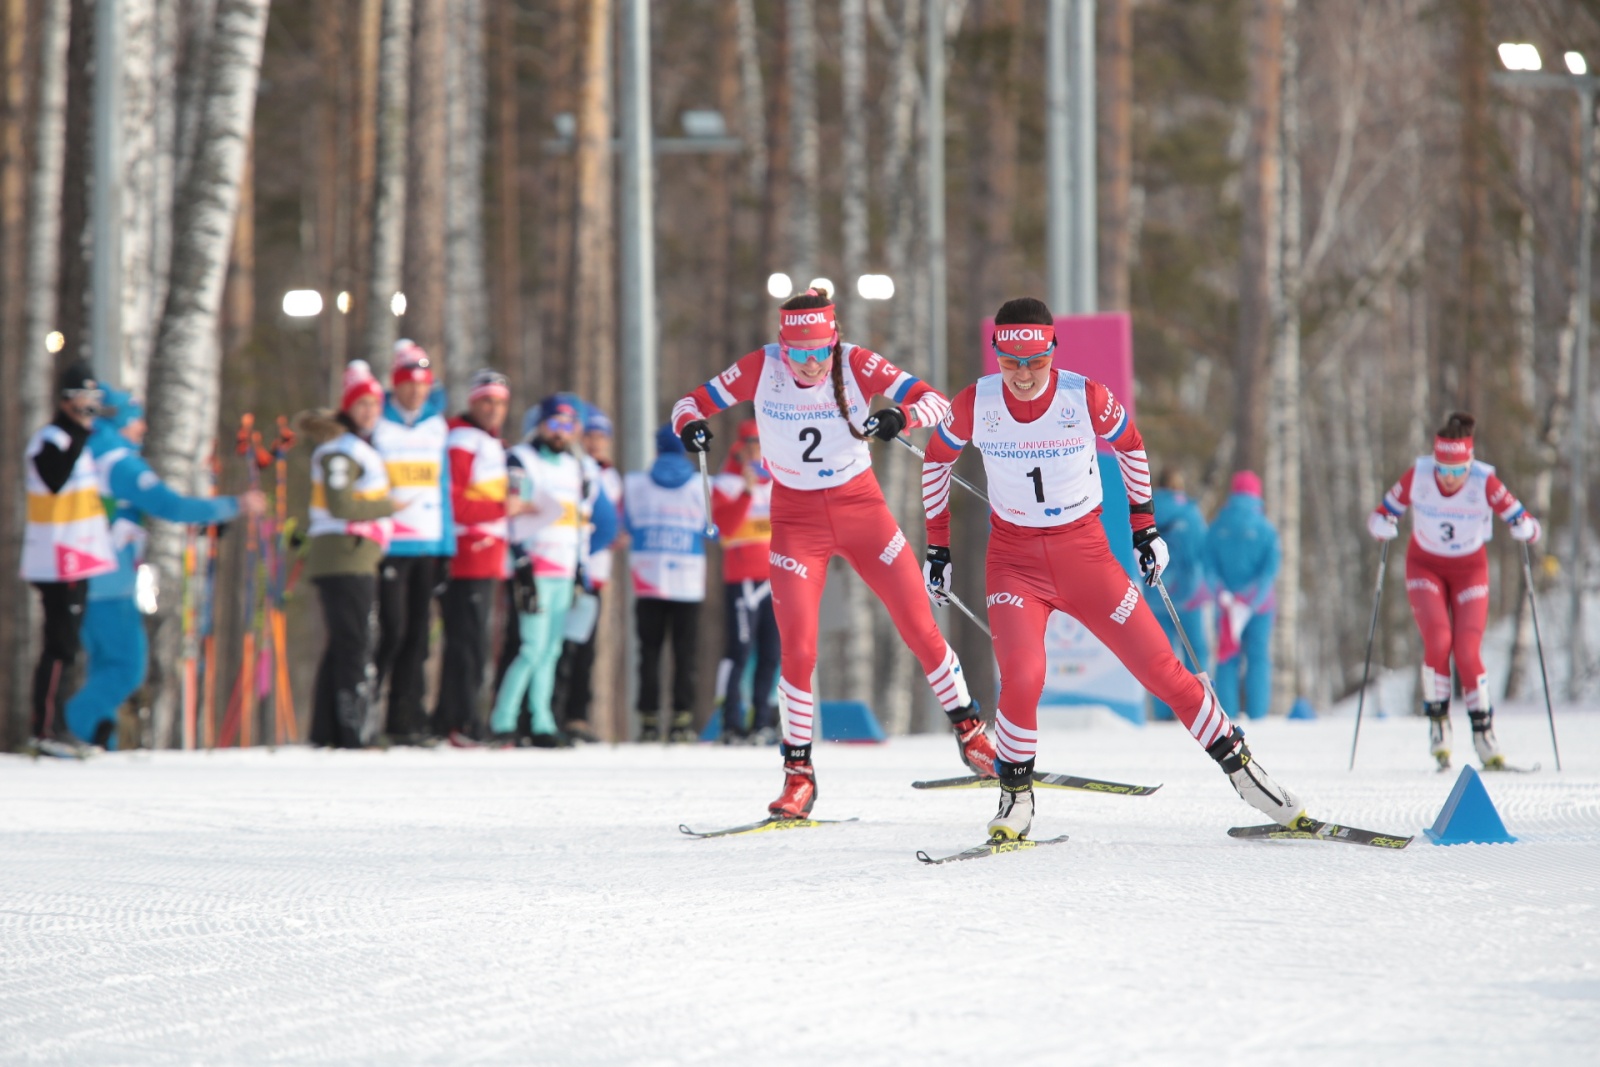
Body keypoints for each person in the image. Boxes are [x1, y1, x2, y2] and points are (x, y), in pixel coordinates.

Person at [920, 298, 1305, 841]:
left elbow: (1131, 447)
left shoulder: (1085, 395)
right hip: (1014, 564)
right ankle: (1015, 797)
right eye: (1011, 362)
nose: (1025, 375)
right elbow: (935, 460)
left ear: (1053, 351)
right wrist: (939, 549)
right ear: (997, 356)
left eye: (1035, 361)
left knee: (1163, 673)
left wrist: (1145, 529)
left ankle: (1247, 774)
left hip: (1086, 556)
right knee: (1024, 677)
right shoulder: (975, 403)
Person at [672, 286, 993, 819]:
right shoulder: (762, 366)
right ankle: (798, 774)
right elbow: (689, 404)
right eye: (799, 354)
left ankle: (971, 733)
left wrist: (899, 418)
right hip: (796, 521)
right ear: (782, 346)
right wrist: (693, 427)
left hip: (861, 510)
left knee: (919, 625)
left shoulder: (856, 362)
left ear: (834, 340)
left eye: (820, 351)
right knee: (798, 648)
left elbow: (935, 401)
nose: (811, 364)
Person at [65, 389, 262, 749]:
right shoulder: (117, 461)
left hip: (86, 574)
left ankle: (98, 742)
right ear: (120, 419)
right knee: (127, 668)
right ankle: (73, 726)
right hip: (108, 580)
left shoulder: (88, 452)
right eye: (137, 418)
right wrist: (235, 504)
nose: (143, 427)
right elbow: (169, 505)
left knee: (105, 667)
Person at [1367, 412, 1540, 770]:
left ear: (1469, 463)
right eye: (1442, 469)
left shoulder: (1484, 481)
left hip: (1469, 569)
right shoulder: (1419, 475)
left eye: (1457, 470)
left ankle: (1484, 735)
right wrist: (1382, 524)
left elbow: (1526, 522)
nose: (1448, 478)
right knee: (1438, 640)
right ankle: (1439, 727)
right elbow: (1382, 513)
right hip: (1425, 566)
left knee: (1466, 649)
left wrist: (1526, 529)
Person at [21, 362, 119, 755]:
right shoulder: (52, 438)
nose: (89, 406)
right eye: (83, 398)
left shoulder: (80, 440)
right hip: (57, 557)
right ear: (65, 400)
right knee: (59, 644)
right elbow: (53, 478)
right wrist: (79, 432)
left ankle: (55, 728)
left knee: (68, 645)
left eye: (94, 399)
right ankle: (45, 730)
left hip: (77, 556)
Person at [302, 361, 398, 749]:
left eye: (374, 406)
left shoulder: (357, 446)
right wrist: (388, 507)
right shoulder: (341, 450)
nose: (370, 413)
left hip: (355, 553)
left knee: (345, 640)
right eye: (362, 406)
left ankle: (328, 729)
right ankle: (352, 730)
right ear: (347, 407)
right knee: (355, 641)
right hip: (344, 552)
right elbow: (342, 505)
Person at [435, 369, 530, 746]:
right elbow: (454, 502)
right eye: (487, 401)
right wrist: (500, 508)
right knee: (467, 642)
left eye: (501, 403)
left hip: (489, 553)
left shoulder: (490, 443)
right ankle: (462, 721)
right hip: (468, 552)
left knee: (475, 641)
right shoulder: (463, 439)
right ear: (473, 402)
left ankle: (456, 719)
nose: (494, 409)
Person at [491, 394, 587, 746]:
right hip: (535, 563)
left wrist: (580, 568)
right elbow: (513, 510)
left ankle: (542, 722)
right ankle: (502, 720)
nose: (560, 432)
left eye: (568, 425)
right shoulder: (522, 458)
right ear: (541, 424)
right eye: (554, 424)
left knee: (551, 650)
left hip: (563, 565)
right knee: (531, 647)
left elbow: (577, 520)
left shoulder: (574, 466)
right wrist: (519, 560)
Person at [372, 342, 455, 744]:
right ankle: (369, 706)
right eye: (410, 385)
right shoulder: (380, 423)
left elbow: (442, 488)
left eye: (423, 386)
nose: (417, 392)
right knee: (393, 630)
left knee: (420, 635)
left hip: (427, 543)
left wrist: (446, 545)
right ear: (396, 386)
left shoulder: (436, 425)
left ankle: (407, 718)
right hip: (390, 544)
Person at [624, 425, 711, 743]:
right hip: (687, 580)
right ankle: (681, 721)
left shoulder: (636, 484)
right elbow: (710, 528)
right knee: (685, 653)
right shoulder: (701, 485)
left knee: (649, 652)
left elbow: (627, 523)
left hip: (648, 578)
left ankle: (648, 720)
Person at [553, 408, 624, 742]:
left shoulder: (610, 475)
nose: (596, 443)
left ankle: (577, 716)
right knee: (559, 644)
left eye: (602, 437)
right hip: (566, 567)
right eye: (591, 436)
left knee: (585, 647)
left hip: (595, 573)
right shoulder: (577, 467)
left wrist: (615, 534)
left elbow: (616, 519)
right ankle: (554, 711)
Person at [711, 418, 780, 744]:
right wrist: (746, 492)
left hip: (776, 577)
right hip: (742, 578)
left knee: (771, 653)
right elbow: (724, 528)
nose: (756, 449)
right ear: (740, 448)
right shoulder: (725, 483)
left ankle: (762, 721)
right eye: (750, 443)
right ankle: (729, 722)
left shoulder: (779, 480)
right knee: (739, 650)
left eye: (761, 442)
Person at [1205, 471, 1280, 720]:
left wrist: (1224, 595)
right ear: (1257, 495)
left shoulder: (1218, 526)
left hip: (1226, 606)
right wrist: (1250, 601)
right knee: (1258, 658)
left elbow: (1208, 567)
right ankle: (1258, 714)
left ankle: (1228, 715)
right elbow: (1270, 571)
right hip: (1260, 607)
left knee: (1227, 657)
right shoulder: (1267, 530)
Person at [1150, 469, 1210, 721]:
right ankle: (1200, 707)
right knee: (1195, 649)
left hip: (1156, 591)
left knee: (1160, 654)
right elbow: (1203, 550)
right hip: (1189, 593)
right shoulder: (1191, 512)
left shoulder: (1146, 511)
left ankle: (1164, 711)